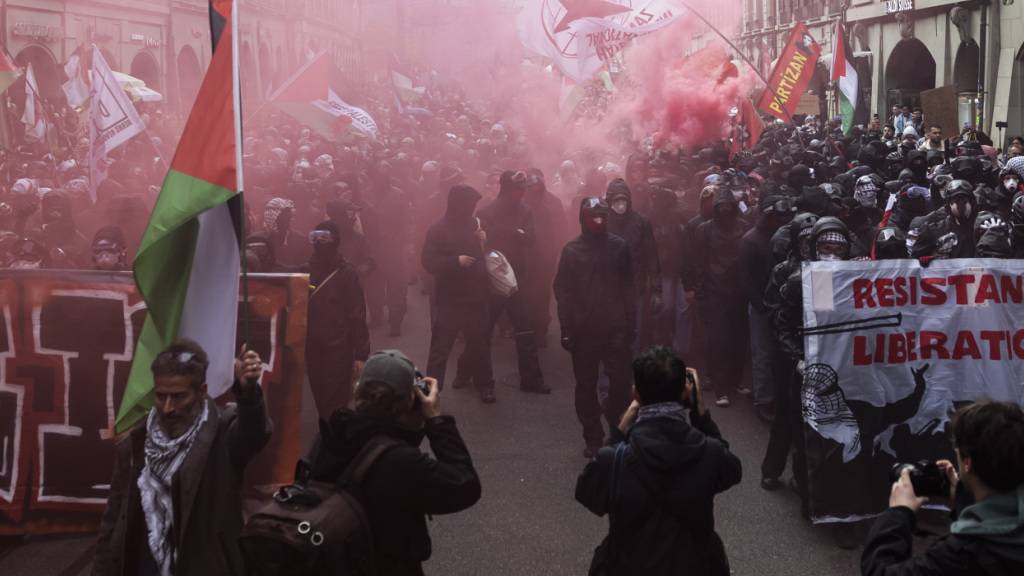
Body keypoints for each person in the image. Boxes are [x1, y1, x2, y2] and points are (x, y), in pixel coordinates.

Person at [93, 341, 271, 576]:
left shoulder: (222, 433)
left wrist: (248, 393)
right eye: (161, 396)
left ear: (202, 391)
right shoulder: (136, 444)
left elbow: (254, 434)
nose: (168, 407)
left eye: (178, 397)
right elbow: (114, 516)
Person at [309, 349, 482, 576]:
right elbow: (465, 484)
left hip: (335, 561)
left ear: (358, 390)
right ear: (411, 400)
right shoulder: (402, 462)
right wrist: (436, 421)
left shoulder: (333, 434)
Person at [575, 346, 742, 576]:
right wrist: (700, 415)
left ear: (636, 395)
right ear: (686, 392)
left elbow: (588, 493)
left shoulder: (613, 459)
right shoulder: (709, 452)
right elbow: (732, 470)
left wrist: (620, 429)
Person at [861, 401, 1024, 576]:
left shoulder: (963, 554)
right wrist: (964, 499)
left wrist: (898, 513)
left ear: (967, 463)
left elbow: (879, 572)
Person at [454, 170, 548, 396]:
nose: (521, 193)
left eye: (522, 189)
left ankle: (531, 380)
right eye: (517, 189)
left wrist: (510, 233)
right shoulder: (486, 211)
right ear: (506, 189)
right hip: (492, 281)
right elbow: (476, 242)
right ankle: (468, 375)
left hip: (516, 280)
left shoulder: (525, 210)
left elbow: (531, 239)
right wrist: (513, 232)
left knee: (525, 331)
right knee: (482, 332)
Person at [554, 197, 635, 458]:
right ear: (583, 219)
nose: (598, 220)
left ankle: (617, 430)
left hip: (615, 327)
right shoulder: (571, 251)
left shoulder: (620, 247)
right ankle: (592, 436)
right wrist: (566, 328)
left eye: (602, 216)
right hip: (584, 329)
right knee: (586, 385)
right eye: (593, 216)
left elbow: (628, 287)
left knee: (621, 383)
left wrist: (630, 322)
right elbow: (563, 291)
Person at [421, 184, 495, 402]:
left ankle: (485, 385)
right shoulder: (438, 229)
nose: (473, 209)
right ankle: (429, 394)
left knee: (480, 344)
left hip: (476, 295)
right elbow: (428, 262)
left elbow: (487, 256)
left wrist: (484, 242)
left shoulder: (477, 225)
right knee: (440, 351)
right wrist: (455, 261)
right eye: (469, 205)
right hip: (449, 299)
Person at [684, 186, 749, 407]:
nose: (725, 211)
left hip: (738, 291)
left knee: (739, 339)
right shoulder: (704, 230)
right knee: (717, 340)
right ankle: (721, 387)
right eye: (721, 207)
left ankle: (735, 380)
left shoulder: (743, 227)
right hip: (715, 292)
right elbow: (698, 261)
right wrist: (698, 290)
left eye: (729, 207)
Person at [304, 220, 371, 420]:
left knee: (334, 404)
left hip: (339, 349)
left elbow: (357, 315)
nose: (318, 242)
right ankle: (330, 440)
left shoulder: (346, 273)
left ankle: (331, 445)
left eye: (323, 237)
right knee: (321, 400)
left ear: (335, 240)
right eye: (314, 238)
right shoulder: (305, 271)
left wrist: (360, 354)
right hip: (312, 348)